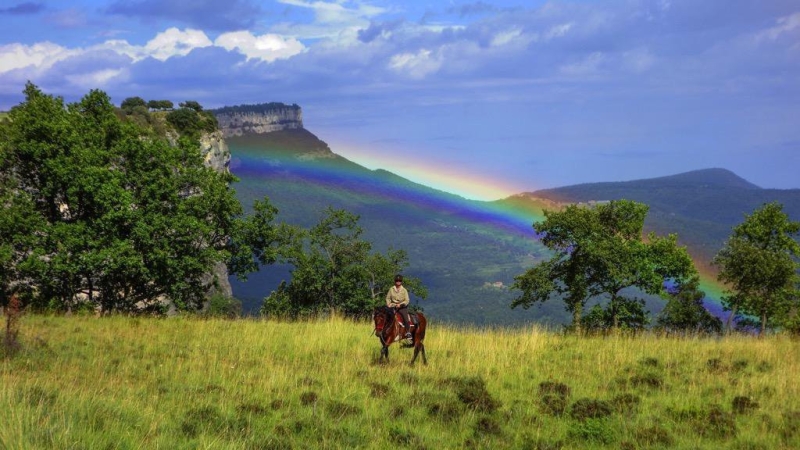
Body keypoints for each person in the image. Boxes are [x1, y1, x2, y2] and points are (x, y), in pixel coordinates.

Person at [386, 274, 413, 339]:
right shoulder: (391, 289)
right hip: (392, 306)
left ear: (401, 281)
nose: (398, 282)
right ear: (395, 281)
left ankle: (408, 332)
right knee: (385, 316)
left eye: (399, 280)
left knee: (406, 318)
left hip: (402, 307)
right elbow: (388, 298)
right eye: (397, 280)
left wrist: (401, 304)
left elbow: (407, 300)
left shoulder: (404, 290)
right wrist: (389, 304)